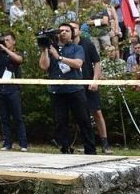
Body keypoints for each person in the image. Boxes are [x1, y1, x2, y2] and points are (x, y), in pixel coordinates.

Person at [39, 23, 96, 155]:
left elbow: (78, 63)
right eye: (61, 30)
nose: (63, 33)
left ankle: (90, 150)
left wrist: (59, 57)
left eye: (67, 31)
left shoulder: (77, 48)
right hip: (57, 90)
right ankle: (65, 149)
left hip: (75, 89)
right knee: (60, 122)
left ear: (72, 34)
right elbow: (44, 66)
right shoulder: (50, 48)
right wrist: (45, 50)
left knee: (84, 120)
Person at [70, 21, 111, 154]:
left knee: (97, 112)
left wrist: (95, 80)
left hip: (89, 83)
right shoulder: (66, 46)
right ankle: (87, 142)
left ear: (79, 30)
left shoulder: (87, 44)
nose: (72, 30)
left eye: (75, 28)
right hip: (74, 85)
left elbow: (97, 62)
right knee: (81, 115)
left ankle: (105, 144)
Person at [0, 33, 28, 151]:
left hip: (13, 89)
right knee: (4, 118)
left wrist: (4, 48)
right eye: (3, 40)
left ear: (14, 41)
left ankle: (23, 144)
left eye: (8, 40)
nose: (5, 42)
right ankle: (7, 143)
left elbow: (19, 60)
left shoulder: (16, 53)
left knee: (18, 117)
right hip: (0, 88)